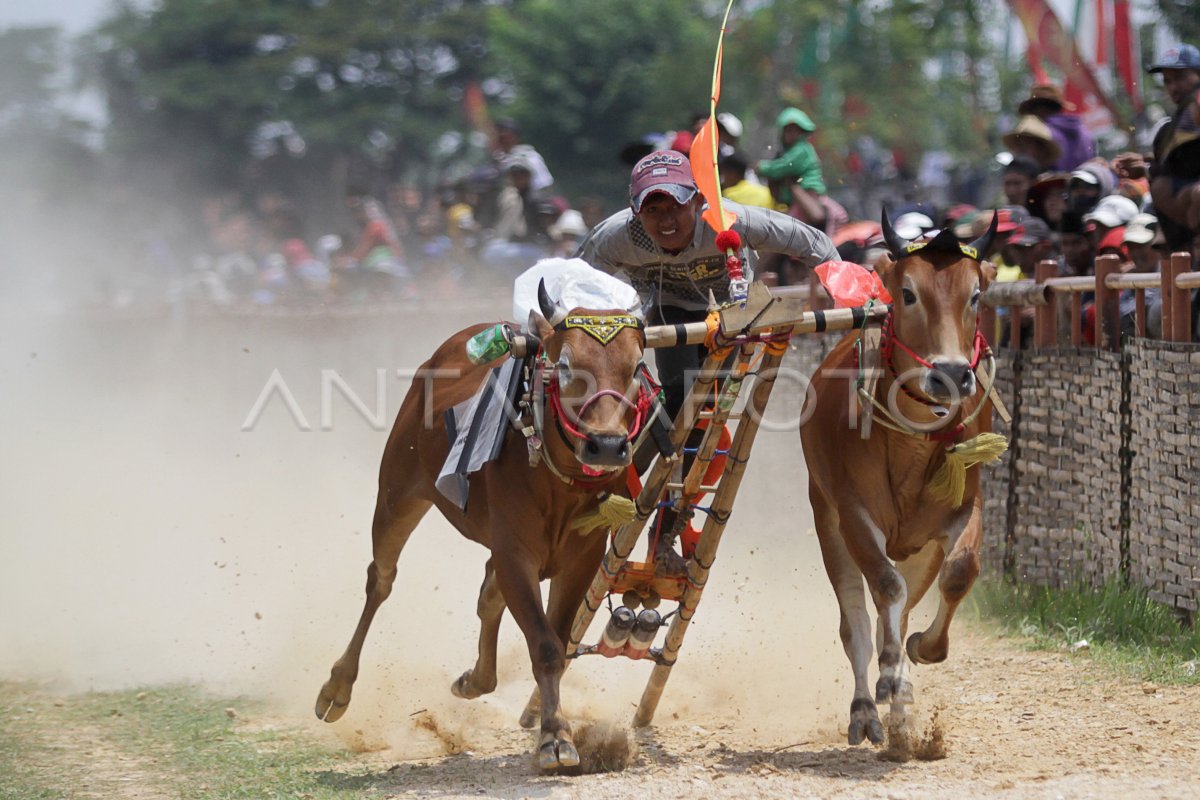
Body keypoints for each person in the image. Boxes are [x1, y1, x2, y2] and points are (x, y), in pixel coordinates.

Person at [577, 150, 837, 573]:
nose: (665, 220)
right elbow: (575, 283)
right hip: (667, 312)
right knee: (683, 399)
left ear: (698, 202)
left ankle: (665, 526)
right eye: (652, 209)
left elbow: (813, 242)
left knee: (706, 417)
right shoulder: (615, 237)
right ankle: (618, 483)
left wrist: (832, 280)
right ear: (634, 213)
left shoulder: (732, 219)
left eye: (676, 206)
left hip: (733, 318)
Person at [1016, 83, 1097, 172]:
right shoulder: (1085, 132)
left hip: (1055, 184)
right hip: (1082, 184)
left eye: (1031, 111)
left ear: (1039, 109)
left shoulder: (1042, 133)